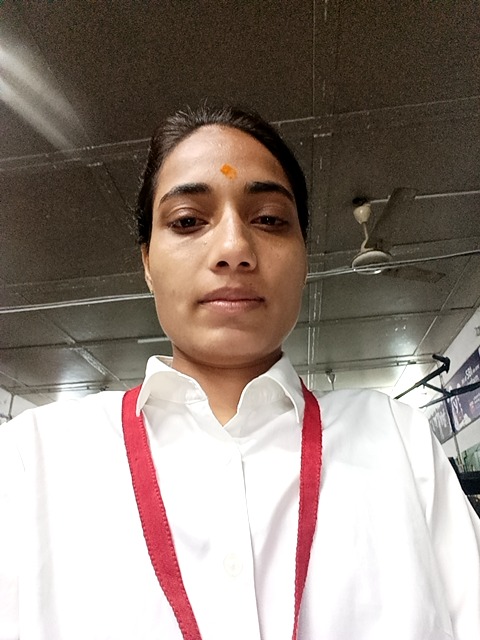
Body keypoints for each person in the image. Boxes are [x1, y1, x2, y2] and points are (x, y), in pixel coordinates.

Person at [1, 104, 479, 640]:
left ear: (303, 256)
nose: (233, 249)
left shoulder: (397, 440)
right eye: (188, 221)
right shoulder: (31, 460)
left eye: (269, 219)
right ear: (147, 263)